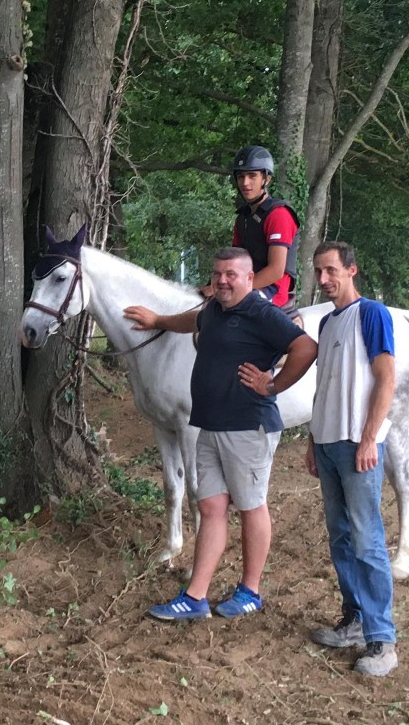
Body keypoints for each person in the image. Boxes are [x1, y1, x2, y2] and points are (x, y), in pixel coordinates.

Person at [124, 247, 317, 620]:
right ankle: (195, 597)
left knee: (250, 506)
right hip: (210, 425)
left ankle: (250, 591)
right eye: (217, 274)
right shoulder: (214, 310)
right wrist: (159, 320)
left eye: (231, 274)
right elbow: (192, 320)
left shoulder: (262, 312)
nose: (223, 280)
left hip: (247, 425)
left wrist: (272, 385)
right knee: (210, 507)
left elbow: (305, 347)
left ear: (249, 278)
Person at [305, 241, 398, 677]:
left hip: (357, 446)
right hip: (326, 443)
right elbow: (324, 387)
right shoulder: (327, 324)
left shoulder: (372, 314)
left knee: (367, 540)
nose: (323, 280)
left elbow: (385, 378)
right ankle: (354, 620)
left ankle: (383, 640)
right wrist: (312, 440)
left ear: (351, 270)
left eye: (331, 271)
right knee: (341, 537)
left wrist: (368, 439)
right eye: (318, 272)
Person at [203, 146, 300, 314]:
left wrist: (236, 287)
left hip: (273, 290)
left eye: (252, 176)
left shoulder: (279, 215)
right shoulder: (243, 217)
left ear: (266, 179)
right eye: (241, 176)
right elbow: (234, 262)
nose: (245, 183)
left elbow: (276, 270)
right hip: (246, 285)